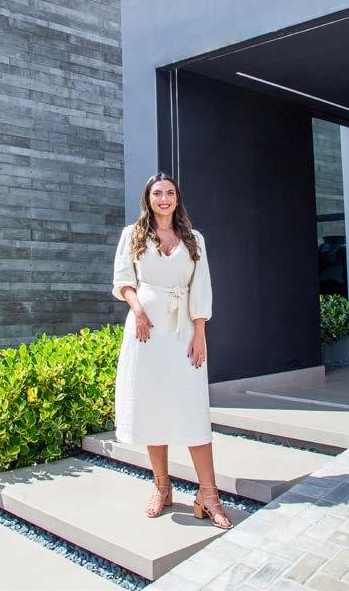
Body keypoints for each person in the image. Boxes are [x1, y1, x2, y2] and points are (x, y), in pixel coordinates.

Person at [111, 172, 233, 529]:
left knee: (192, 408)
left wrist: (200, 333)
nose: (163, 198)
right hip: (145, 332)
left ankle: (208, 494)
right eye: (157, 193)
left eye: (170, 193)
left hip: (183, 334)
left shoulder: (194, 239)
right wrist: (138, 310)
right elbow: (123, 281)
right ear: (148, 199)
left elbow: (202, 287)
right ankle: (162, 487)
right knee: (152, 407)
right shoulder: (133, 235)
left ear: (177, 198)